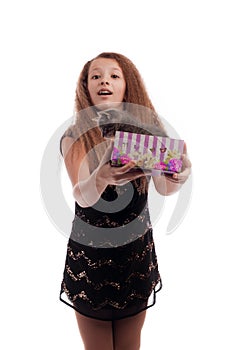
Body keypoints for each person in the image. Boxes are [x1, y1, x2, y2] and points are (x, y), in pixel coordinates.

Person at [59, 52, 191, 350]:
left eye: (114, 75)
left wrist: (177, 176)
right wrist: (101, 177)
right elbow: (81, 194)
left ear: (126, 85)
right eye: (96, 75)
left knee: (131, 345)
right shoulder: (77, 135)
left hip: (135, 256)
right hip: (90, 260)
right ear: (87, 88)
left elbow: (163, 186)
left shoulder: (147, 131)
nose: (104, 79)